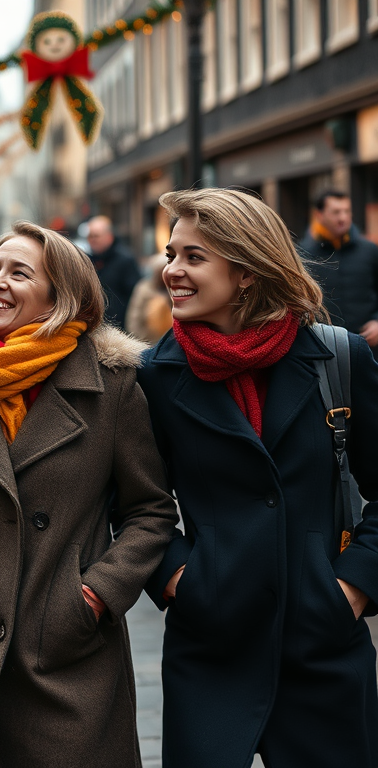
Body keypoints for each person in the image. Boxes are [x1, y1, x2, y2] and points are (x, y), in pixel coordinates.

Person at [0, 221, 178, 768]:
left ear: (61, 297)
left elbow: (150, 512)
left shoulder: (110, 384)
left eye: (18, 273)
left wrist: (92, 597)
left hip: (67, 661)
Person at [139, 188, 378, 767]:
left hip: (321, 643)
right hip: (212, 646)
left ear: (245, 271)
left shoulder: (337, 357)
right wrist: (181, 582)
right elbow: (134, 506)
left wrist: (350, 587)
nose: (172, 271)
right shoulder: (154, 377)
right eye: (171, 255)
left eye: (194, 257)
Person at [300, 189, 378, 349]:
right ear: (319, 215)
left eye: (347, 211)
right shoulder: (302, 255)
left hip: (369, 347)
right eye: (336, 212)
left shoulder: (370, 250)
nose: (343, 217)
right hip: (323, 349)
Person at [86, 215, 141, 328]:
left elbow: (135, 295)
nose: (92, 240)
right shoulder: (87, 260)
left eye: (96, 236)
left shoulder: (125, 260)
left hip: (121, 327)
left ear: (109, 237)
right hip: (96, 326)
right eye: (90, 236)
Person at [125, 253, 172, 343]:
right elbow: (134, 318)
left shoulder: (175, 290)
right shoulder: (144, 288)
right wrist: (140, 340)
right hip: (148, 341)